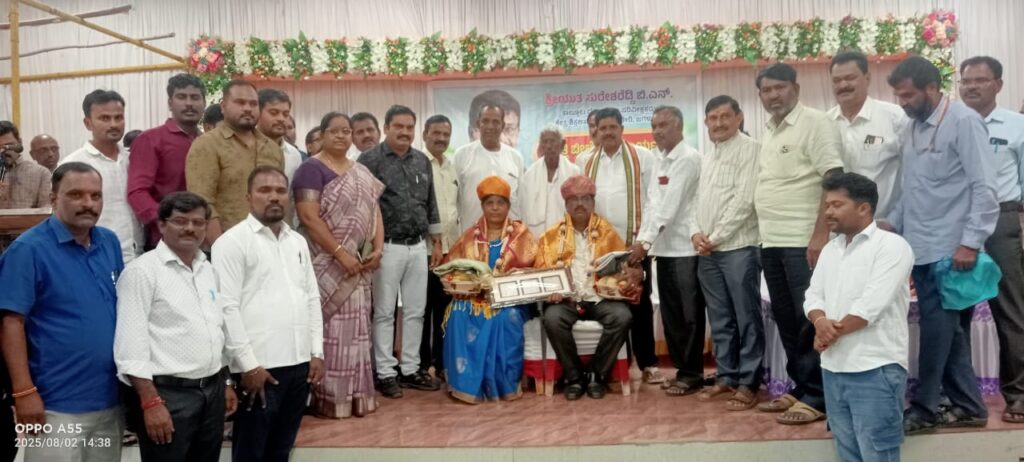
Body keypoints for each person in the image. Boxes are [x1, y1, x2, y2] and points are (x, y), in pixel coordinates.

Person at [887, 55, 997, 434]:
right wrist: (891, 223)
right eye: (899, 96)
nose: (902, 103)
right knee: (949, 332)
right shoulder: (911, 127)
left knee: (937, 331)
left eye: (908, 95)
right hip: (918, 246)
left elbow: (985, 187)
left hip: (951, 251)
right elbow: (910, 189)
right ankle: (969, 406)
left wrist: (971, 242)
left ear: (932, 88)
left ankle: (924, 408)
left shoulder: (964, 122)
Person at [0, 162, 125, 461]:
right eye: (76, 195)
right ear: (54, 199)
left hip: (109, 401)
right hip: (55, 405)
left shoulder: (109, 242)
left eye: (96, 196)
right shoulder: (28, 250)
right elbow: (10, 323)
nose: (88, 203)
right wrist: (23, 392)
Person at [114, 192, 238, 461]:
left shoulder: (208, 270)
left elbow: (215, 331)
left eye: (198, 222)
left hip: (212, 392)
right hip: (168, 396)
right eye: (180, 221)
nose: (190, 228)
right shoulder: (141, 272)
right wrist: (150, 402)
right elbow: (130, 347)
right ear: (161, 225)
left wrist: (225, 382)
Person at [213, 165, 325, 460]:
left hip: (299, 365)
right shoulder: (231, 242)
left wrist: (316, 352)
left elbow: (311, 297)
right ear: (248, 197)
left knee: (281, 450)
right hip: (259, 368)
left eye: (280, 191)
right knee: (251, 452)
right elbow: (227, 308)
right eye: (264, 190)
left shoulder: (297, 241)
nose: (273, 197)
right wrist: (248, 366)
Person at [754, 63, 844, 425]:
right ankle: (800, 386)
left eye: (780, 87)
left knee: (809, 319)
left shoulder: (816, 123)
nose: (773, 95)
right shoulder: (770, 130)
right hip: (771, 241)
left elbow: (833, 178)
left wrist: (820, 234)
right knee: (786, 318)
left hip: (802, 241)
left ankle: (818, 396)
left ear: (796, 88)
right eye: (767, 90)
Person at [807, 172, 914, 462]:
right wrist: (820, 322)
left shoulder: (892, 246)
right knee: (848, 454)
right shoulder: (831, 250)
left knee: (877, 455)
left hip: (875, 368)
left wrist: (829, 333)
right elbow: (813, 296)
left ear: (863, 208)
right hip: (833, 367)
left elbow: (870, 306)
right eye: (826, 205)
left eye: (836, 205)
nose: (828, 212)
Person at [293, 112, 384, 419]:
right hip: (326, 266)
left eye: (347, 131)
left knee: (359, 330)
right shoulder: (310, 169)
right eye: (335, 131)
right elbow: (308, 218)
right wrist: (340, 254)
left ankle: (358, 395)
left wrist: (378, 248)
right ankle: (329, 398)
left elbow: (374, 213)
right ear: (322, 134)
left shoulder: (361, 171)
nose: (342, 136)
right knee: (330, 332)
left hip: (359, 266)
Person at [357, 105, 444, 398]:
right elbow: (364, 206)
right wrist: (371, 247)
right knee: (384, 312)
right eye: (399, 127)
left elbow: (430, 201)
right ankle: (385, 372)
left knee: (416, 311)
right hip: (386, 248)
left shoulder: (422, 160)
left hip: (418, 246)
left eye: (409, 127)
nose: (405, 132)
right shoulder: (369, 160)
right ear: (386, 128)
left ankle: (410, 369)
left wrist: (436, 241)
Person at [574, 107, 662, 386]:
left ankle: (648, 364)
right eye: (603, 128)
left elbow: (654, 200)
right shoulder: (584, 161)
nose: (608, 132)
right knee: (607, 301)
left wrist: (644, 242)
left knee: (639, 304)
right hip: (599, 250)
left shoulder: (643, 157)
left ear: (622, 129)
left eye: (613, 127)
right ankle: (616, 366)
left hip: (634, 247)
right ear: (595, 131)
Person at [959, 55, 1024, 424]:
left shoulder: (1017, 125)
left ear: (998, 85)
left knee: (1010, 310)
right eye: (966, 81)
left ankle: (1018, 395)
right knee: (957, 313)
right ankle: (962, 398)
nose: (971, 87)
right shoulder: (951, 123)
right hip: (958, 223)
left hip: (1001, 220)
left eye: (980, 80)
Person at [691, 96, 764, 410]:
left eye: (724, 117)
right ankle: (727, 376)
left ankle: (749, 382)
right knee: (720, 318)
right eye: (713, 118)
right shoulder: (709, 155)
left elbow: (745, 200)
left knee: (746, 317)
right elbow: (697, 201)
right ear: (706, 122)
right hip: (708, 252)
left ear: (739, 117)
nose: (718, 123)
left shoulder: (752, 149)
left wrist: (715, 237)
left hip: (739, 248)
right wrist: (695, 232)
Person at [630, 106, 705, 396]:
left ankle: (693, 374)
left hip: (686, 249)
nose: (657, 131)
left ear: (679, 127)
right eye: (654, 126)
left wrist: (644, 243)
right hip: (664, 250)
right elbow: (651, 205)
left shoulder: (687, 158)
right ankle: (682, 371)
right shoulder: (659, 158)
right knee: (672, 316)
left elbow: (669, 208)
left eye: (663, 125)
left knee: (689, 315)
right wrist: (643, 240)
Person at [537, 175, 632, 400]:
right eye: (574, 199)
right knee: (552, 319)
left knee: (622, 317)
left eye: (585, 199)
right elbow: (541, 271)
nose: (580, 204)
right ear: (566, 204)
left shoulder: (608, 232)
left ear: (593, 202)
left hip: (600, 299)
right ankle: (574, 377)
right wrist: (551, 291)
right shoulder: (551, 236)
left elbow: (622, 268)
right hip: (567, 300)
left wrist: (615, 283)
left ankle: (597, 375)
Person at [444, 176, 536, 403]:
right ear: (482, 206)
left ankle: (503, 385)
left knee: (506, 317)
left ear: (508, 205)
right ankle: (464, 384)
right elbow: (452, 269)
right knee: (457, 312)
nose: (495, 208)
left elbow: (536, 270)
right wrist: (464, 284)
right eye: (489, 203)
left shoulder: (521, 235)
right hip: (474, 298)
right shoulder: (470, 236)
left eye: (500, 203)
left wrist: (506, 283)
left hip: (511, 301)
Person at [186, 80, 284, 246]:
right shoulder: (206, 145)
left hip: (268, 243)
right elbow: (202, 203)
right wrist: (222, 248)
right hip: (224, 244)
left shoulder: (272, 148)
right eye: (240, 102)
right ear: (223, 107)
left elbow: (278, 198)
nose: (248, 108)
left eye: (253, 104)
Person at [60, 89, 144, 263]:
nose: (113, 124)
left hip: (140, 254)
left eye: (118, 117)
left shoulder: (134, 159)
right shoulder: (72, 165)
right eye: (105, 118)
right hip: (95, 256)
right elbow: (63, 217)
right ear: (88, 123)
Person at [127, 73, 206, 250]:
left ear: (204, 103)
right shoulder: (150, 140)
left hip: (203, 239)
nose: (189, 103)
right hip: (164, 242)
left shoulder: (208, 142)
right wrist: (167, 222)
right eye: (181, 97)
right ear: (170, 103)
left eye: (195, 97)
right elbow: (137, 192)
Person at [827, 51, 908, 219]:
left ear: (867, 78)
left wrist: (895, 219)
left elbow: (914, 175)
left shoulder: (895, 118)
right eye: (836, 80)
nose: (843, 85)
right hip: (837, 227)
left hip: (882, 225)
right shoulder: (824, 123)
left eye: (850, 78)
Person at [420, 115, 457, 379]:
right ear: (425, 134)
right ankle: (422, 365)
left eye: (446, 134)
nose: (441, 138)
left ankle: (442, 362)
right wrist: (434, 241)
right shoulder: (418, 163)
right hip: (424, 250)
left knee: (445, 310)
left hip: (450, 252)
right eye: (436, 133)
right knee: (422, 310)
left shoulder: (452, 167)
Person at [453, 105, 525, 230]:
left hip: (508, 235)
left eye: (495, 122)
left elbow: (521, 200)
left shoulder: (515, 157)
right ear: (478, 124)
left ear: (502, 125)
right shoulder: (462, 155)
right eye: (485, 121)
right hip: (472, 234)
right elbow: (454, 199)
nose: (490, 126)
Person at [521, 124, 580, 237]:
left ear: (562, 144)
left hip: (565, 237)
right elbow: (524, 209)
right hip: (537, 236)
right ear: (541, 146)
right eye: (545, 142)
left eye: (553, 141)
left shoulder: (574, 172)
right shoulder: (530, 174)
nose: (548, 146)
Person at [0, 122, 49, 210]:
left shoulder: (41, 173)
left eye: (9, 145)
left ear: (20, 142)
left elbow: (46, 211)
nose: (3, 151)